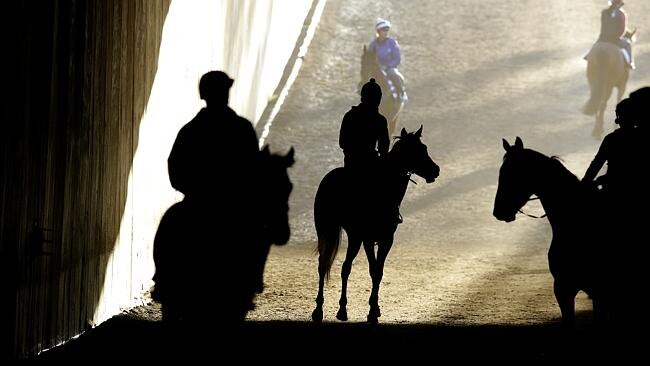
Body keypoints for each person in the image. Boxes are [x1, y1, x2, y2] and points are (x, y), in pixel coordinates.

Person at [339, 78, 401, 223]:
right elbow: (384, 147)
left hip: (353, 160)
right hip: (362, 161)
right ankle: (390, 213)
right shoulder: (379, 120)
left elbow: (343, 142)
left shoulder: (351, 116)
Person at [369, 18, 407, 101]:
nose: (385, 33)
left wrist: (388, 66)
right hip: (377, 68)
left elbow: (397, 58)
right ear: (378, 32)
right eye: (383, 31)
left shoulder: (392, 42)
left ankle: (401, 93)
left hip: (389, 68)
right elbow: (369, 58)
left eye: (386, 31)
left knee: (394, 74)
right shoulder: (373, 45)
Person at [593, 0, 635, 69]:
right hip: (615, 40)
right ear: (620, 4)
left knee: (595, 46)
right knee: (628, 44)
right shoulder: (622, 14)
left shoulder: (604, 12)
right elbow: (622, 31)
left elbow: (603, 27)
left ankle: (588, 56)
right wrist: (618, 36)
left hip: (602, 38)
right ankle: (630, 63)